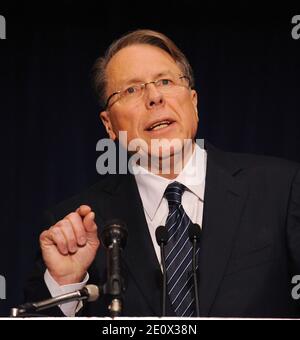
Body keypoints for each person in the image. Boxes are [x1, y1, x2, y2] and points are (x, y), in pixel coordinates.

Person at [25, 29, 300, 318]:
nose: (154, 97)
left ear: (193, 102)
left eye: (166, 81)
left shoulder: (283, 190)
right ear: (109, 125)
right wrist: (66, 285)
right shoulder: (74, 228)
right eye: (131, 89)